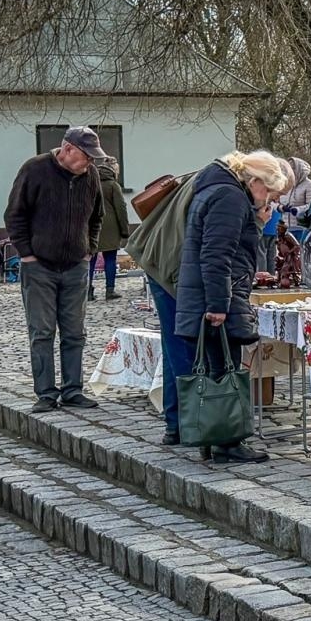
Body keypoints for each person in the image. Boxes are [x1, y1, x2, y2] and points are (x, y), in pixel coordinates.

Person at [173, 150, 288, 463]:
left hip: (209, 292)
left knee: (217, 369)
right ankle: (229, 441)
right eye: (269, 191)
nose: (269, 199)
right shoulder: (230, 197)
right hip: (216, 296)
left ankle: (215, 439)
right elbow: (217, 254)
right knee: (225, 368)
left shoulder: (215, 189)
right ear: (255, 181)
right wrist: (218, 305)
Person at [5, 126, 106, 413]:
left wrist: (89, 249)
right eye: (87, 156)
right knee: (42, 331)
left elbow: (97, 216)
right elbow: (14, 214)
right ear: (68, 149)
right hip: (39, 266)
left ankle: (73, 390)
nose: (90, 162)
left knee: (75, 332)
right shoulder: (35, 169)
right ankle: (46, 393)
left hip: (75, 265)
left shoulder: (91, 176)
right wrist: (27, 254)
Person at [126, 169, 200, 445]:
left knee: (174, 346)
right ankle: (189, 424)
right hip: (168, 269)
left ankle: (176, 424)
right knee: (182, 345)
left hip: (159, 261)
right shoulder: (220, 191)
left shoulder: (202, 180)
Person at [89, 156, 130, 301]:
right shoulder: (113, 185)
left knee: (90, 259)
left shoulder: (90, 182)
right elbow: (121, 208)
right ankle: (110, 290)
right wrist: (124, 230)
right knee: (110, 259)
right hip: (110, 226)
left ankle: (87, 291)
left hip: (91, 225)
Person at [279, 157, 311, 238]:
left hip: (301, 228)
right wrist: (281, 207)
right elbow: (274, 201)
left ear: (299, 169)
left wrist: (298, 210)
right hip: (285, 228)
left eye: (293, 169)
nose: (291, 172)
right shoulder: (286, 184)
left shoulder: (310, 185)